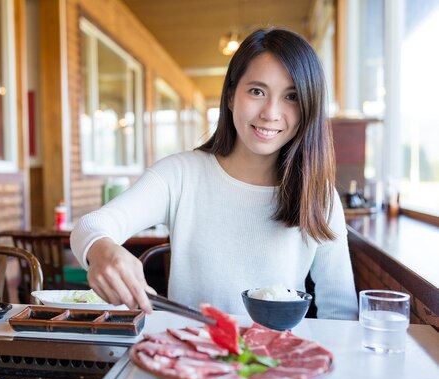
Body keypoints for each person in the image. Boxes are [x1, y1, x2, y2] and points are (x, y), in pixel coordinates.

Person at [71, 28, 358, 320]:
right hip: (189, 356)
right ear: (231, 96)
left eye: (291, 96)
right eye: (257, 91)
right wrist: (103, 251)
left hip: (277, 358)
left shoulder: (319, 195)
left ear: (309, 107)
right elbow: (91, 225)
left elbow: (340, 310)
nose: (271, 113)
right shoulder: (180, 174)